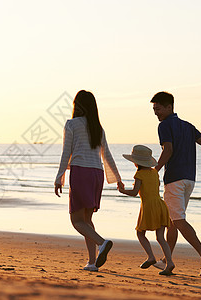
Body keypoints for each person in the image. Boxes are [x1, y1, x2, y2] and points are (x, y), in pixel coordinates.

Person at [150, 91, 201, 276]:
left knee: (178, 220)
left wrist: (155, 170)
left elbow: (168, 149)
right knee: (173, 221)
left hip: (174, 179)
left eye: (158, 109)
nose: (156, 113)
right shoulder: (188, 126)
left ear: (169, 107)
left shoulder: (164, 126)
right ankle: (168, 260)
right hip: (189, 179)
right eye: (154, 109)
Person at [54, 90, 121, 272]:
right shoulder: (98, 127)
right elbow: (106, 155)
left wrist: (59, 177)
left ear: (77, 105)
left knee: (76, 220)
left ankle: (102, 243)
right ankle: (92, 262)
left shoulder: (71, 124)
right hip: (96, 174)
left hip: (81, 172)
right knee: (86, 221)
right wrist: (117, 179)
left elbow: (66, 152)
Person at [117, 145, 175, 275]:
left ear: (136, 162)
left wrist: (122, 190)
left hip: (148, 206)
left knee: (140, 233)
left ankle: (151, 257)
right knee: (160, 237)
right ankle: (169, 262)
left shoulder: (139, 174)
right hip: (160, 205)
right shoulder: (154, 172)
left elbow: (134, 192)